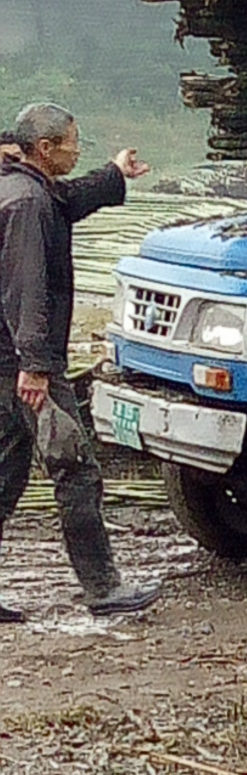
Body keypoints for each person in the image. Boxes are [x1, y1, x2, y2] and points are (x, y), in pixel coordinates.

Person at [0, 102, 162, 622]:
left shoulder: (23, 187)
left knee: (4, 473)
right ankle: (102, 587)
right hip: (22, 363)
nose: (77, 147)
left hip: (8, 360)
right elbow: (26, 292)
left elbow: (65, 199)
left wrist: (113, 175)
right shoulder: (26, 206)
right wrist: (37, 366)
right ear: (44, 150)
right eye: (72, 141)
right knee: (75, 467)